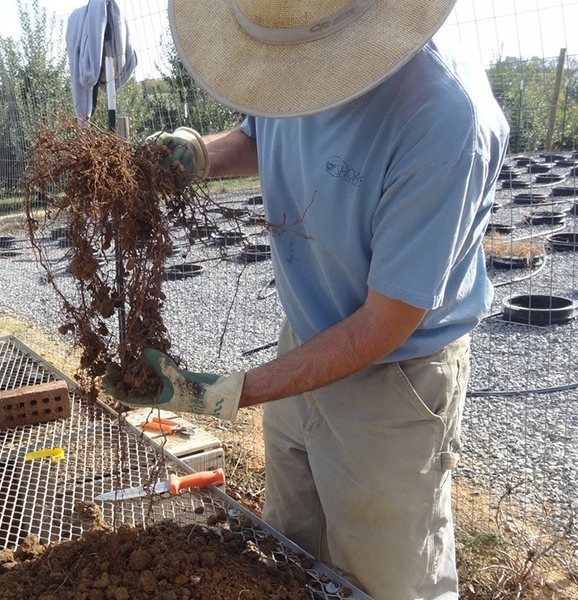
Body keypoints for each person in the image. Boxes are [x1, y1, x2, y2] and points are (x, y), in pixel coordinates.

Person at [106, 1, 510, 599]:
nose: (292, 75)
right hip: (305, 345)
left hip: (393, 380)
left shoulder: (446, 120)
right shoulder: (295, 45)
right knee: (289, 550)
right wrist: (200, 154)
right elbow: (260, 133)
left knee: (388, 578)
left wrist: (228, 392)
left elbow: (384, 323)